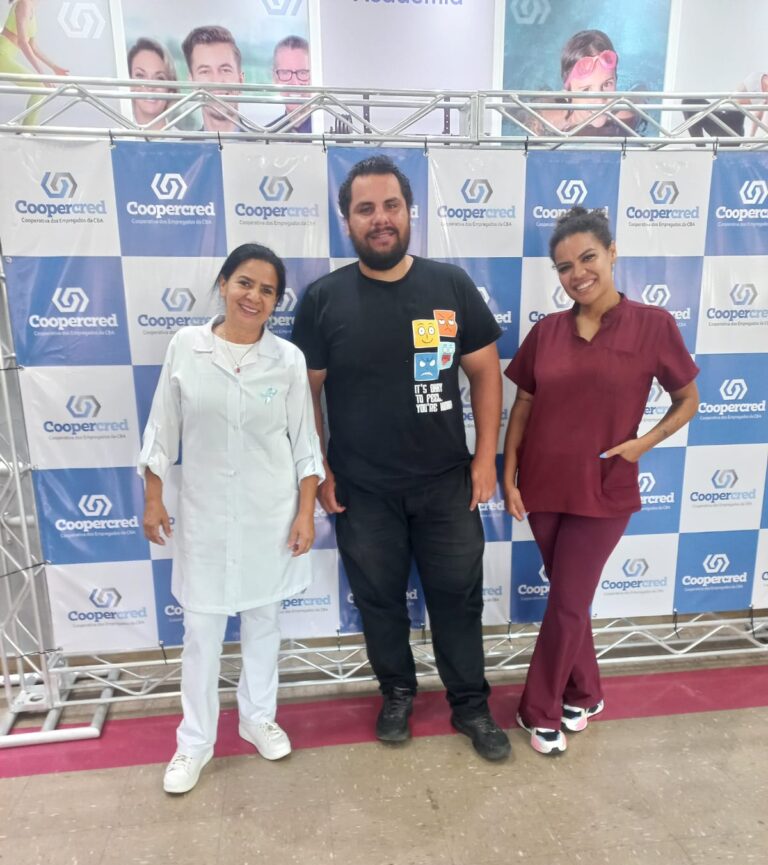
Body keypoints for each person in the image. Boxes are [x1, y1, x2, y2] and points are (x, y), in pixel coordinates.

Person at [292, 155, 510, 762]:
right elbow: (305, 393)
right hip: (362, 491)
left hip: (446, 485)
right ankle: (396, 693)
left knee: (458, 599)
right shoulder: (324, 299)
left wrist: (484, 459)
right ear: (347, 221)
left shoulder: (450, 286)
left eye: (391, 206)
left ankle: (470, 705)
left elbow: (486, 373)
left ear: (409, 212)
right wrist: (322, 470)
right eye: (365, 209)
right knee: (380, 601)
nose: (380, 219)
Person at [502, 207, 699, 756]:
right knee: (570, 597)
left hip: (606, 487)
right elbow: (523, 404)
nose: (577, 273)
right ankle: (585, 692)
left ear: (612, 253)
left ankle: (538, 709)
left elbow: (688, 398)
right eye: (564, 266)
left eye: (587, 257)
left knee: (567, 602)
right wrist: (509, 474)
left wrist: (643, 443)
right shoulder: (547, 331)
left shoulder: (653, 325)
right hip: (543, 486)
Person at [139, 243, 323, 793]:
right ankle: (194, 742)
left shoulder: (287, 359)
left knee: (264, 625)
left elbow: (305, 444)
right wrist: (153, 497)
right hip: (206, 520)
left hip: (270, 518)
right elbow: (161, 430)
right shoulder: (186, 347)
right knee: (202, 633)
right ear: (223, 284)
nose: (254, 297)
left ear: (276, 301)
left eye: (268, 290)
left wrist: (306, 512)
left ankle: (257, 718)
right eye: (245, 283)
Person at [0, 0, 68, 126]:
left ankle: (27, 129)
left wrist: (54, 67)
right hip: (2, 54)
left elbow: (33, 46)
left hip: (5, 56)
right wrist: (42, 75)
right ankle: (27, 130)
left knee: (39, 87)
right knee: (39, 87)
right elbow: (22, 43)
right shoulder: (23, 4)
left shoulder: (31, 8)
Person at [181, 24, 244, 133]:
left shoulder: (265, 143)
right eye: (205, 71)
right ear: (192, 82)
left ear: (241, 80)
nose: (216, 81)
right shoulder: (179, 145)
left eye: (225, 70)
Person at [127, 37, 177, 130]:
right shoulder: (112, 136)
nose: (150, 87)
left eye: (159, 78)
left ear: (170, 90)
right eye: (140, 76)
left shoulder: (183, 139)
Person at [267, 35, 311, 133]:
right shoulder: (267, 136)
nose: (294, 84)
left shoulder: (333, 134)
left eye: (302, 72)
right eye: (285, 73)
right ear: (275, 78)